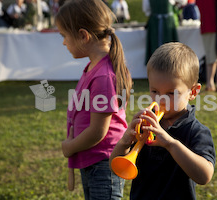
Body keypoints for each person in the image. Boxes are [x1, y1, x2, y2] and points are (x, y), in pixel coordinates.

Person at [110, 42, 216, 199]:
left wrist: (170, 144)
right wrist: (126, 141)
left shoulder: (196, 131)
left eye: (171, 93)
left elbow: (204, 176)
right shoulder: (146, 124)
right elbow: (115, 166)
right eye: (154, 91)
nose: (160, 99)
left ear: (193, 92)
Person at [55, 0, 133, 199]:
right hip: (93, 159)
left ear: (83, 36)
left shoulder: (103, 76)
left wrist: (69, 147)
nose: (63, 42)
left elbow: (98, 131)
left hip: (103, 163)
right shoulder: (93, 68)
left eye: (64, 36)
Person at [142, 0, 187, 64]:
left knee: (168, 49)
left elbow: (146, 10)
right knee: (169, 50)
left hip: (157, 23)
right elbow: (183, 2)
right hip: (164, 23)